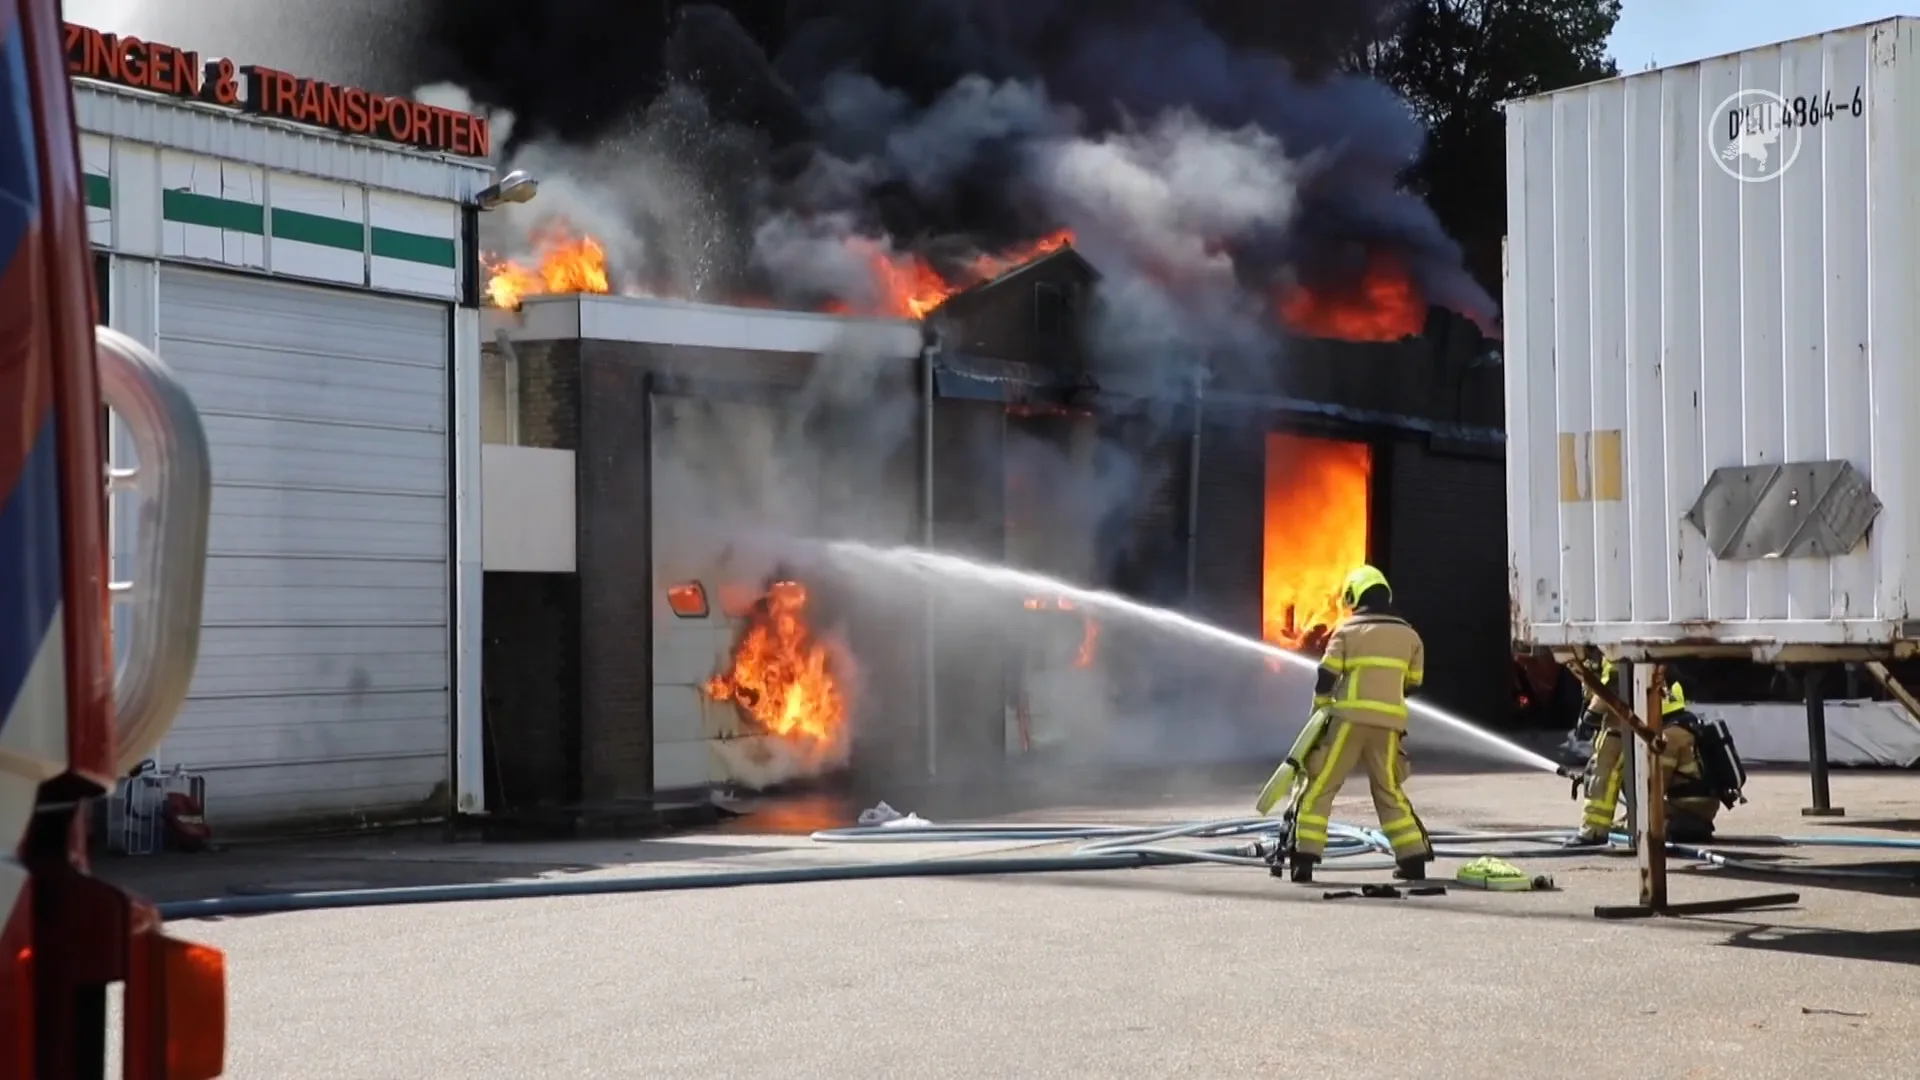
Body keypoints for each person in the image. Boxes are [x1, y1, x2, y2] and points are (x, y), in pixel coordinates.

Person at [1285, 565, 1433, 884]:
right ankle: (1413, 859)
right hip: (1388, 726)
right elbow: (1414, 683)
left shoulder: (1347, 631)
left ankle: (1303, 860)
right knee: (1388, 790)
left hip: (1348, 724)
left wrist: (1321, 711)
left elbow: (1326, 675)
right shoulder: (1410, 635)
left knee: (1321, 785)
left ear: (1353, 596)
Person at [1566, 679, 1722, 845]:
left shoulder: (1669, 736)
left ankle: (1658, 827)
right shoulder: (1684, 726)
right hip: (1694, 810)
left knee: (1635, 776)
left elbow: (1653, 786)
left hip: (1687, 813)